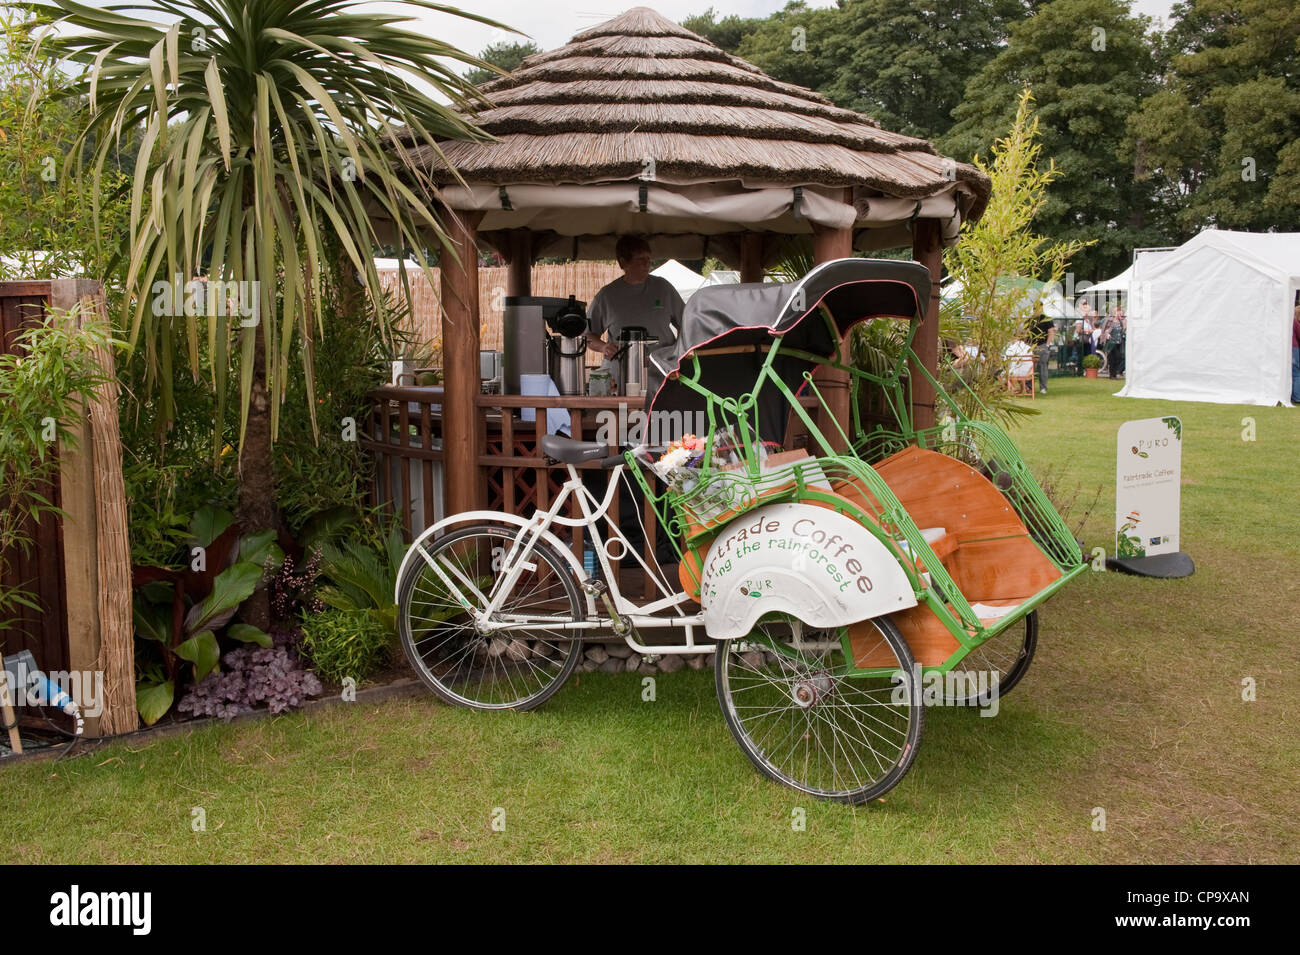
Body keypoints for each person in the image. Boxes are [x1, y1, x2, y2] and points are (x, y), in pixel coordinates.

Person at [586, 235, 685, 394]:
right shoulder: (607, 296)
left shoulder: (663, 288)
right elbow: (587, 336)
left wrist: (675, 354)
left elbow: (687, 325)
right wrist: (604, 347)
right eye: (640, 259)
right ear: (623, 262)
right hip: (620, 375)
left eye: (648, 258)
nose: (647, 264)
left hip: (662, 371)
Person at [1026, 308, 1055, 394]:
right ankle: (1029, 386)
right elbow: (1025, 332)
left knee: (1042, 366)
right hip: (1031, 345)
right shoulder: (1030, 320)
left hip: (1042, 345)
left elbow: (1051, 332)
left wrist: (1047, 345)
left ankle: (1043, 387)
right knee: (1030, 367)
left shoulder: (1046, 319)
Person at [1100, 303, 1126, 379]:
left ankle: (1114, 374)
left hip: (1119, 342)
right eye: (1118, 312)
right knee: (1112, 358)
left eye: (1120, 312)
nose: (1120, 313)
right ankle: (1112, 375)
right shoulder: (1109, 320)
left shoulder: (1121, 321)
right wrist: (1106, 334)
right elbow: (1103, 329)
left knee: (1119, 358)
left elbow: (1122, 331)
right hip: (1111, 342)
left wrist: (1124, 327)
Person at [1292, 304, 1300, 405]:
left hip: (1287, 348)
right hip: (1294, 348)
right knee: (1297, 373)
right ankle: (1297, 396)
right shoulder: (1295, 322)